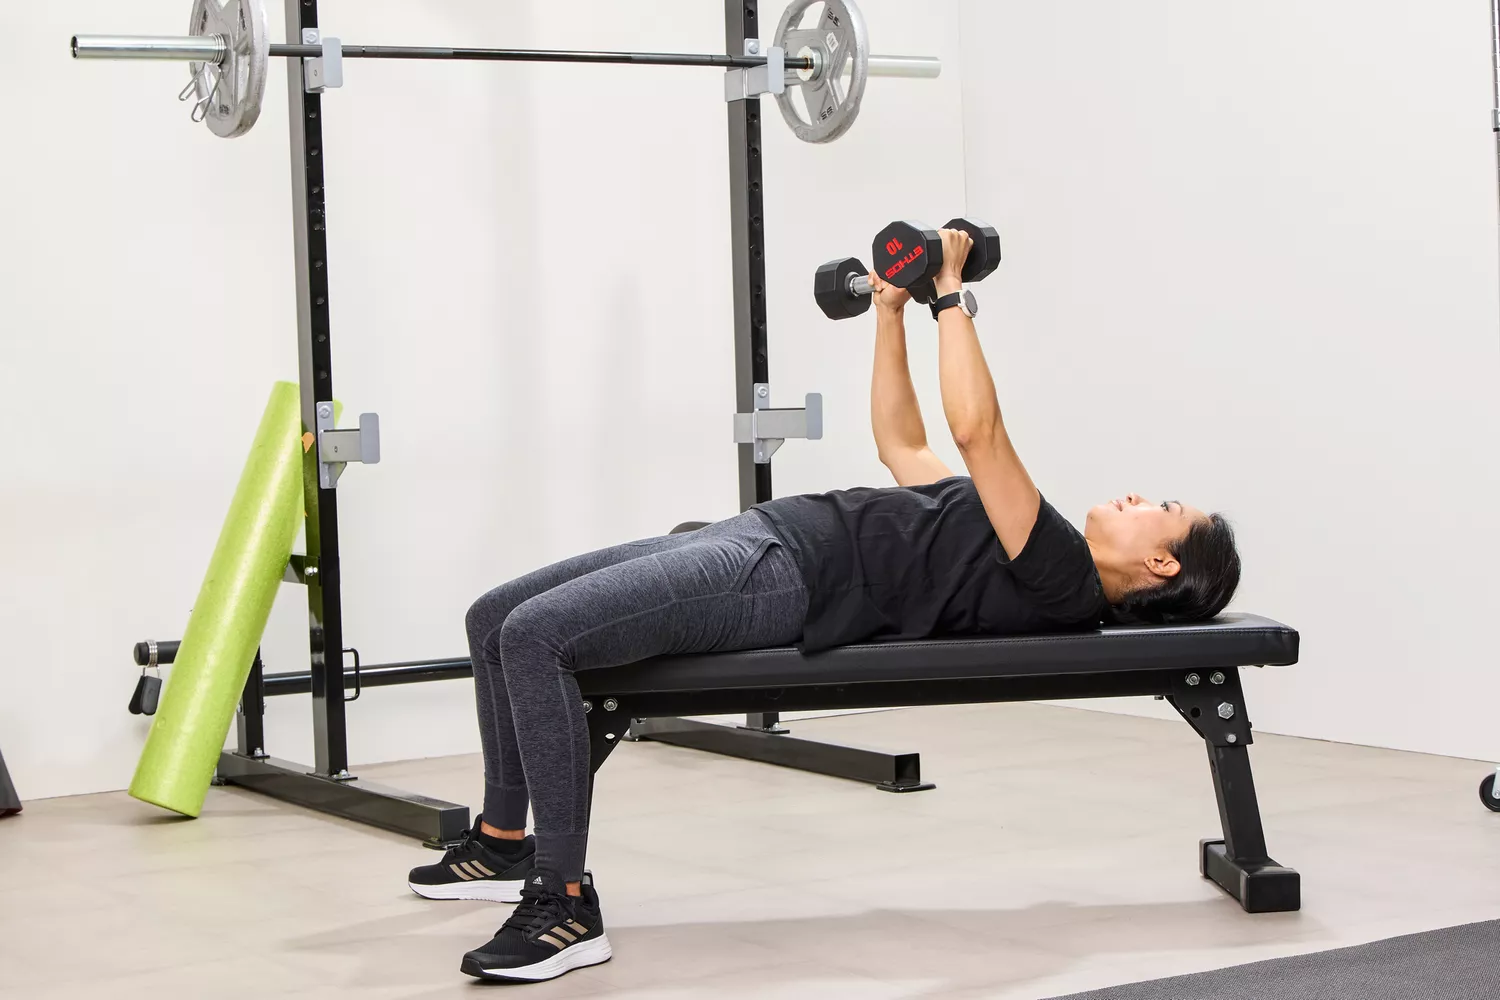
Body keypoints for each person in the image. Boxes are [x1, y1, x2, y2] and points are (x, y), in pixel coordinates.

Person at [405, 228, 1242, 984]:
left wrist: (949, 294)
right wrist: (890, 314)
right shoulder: (1023, 535)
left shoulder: (1061, 575)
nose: (1137, 497)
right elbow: (903, 446)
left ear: (1162, 562)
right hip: (762, 533)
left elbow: (978, 433)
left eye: (1158, 508)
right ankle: (502, 844)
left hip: (783, 576)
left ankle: (565, 902)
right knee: (495, 617)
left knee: (538, 635)